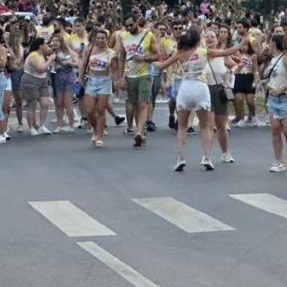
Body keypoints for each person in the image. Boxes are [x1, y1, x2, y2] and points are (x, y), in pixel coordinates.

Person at [158, 27, 240, 172]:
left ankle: (180, 158)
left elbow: (162, 66)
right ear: (198, 41)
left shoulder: (180, 53)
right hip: (201, 88)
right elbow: (226, 52)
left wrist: (149, 62)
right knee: (205, 127)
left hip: (185, 88)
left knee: (182, 127)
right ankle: (207, 157)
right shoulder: (203, 52)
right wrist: (242, 43)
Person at [116, 16, 163, 148]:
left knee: (143, 103)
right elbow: (121, 57)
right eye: (127, 26)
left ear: (137, 23)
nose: (129, 28)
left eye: (131, 25)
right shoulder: (124, 37)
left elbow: (158, 55)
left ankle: (139, 132)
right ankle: (141, 132)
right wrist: (120, 77)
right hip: (131, 75)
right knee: (135, 104)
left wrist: (144, 57)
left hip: (145, 74)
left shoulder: (148, 35)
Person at [78, 28, 119, 147]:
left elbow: (114, 69)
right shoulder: (90, 49)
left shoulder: (111, 53)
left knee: (101, 110)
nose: (100, 40)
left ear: (107, 40)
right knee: (90, 111)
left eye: (103, 38)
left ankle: (99, 136)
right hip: (91, 80)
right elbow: (84, 63)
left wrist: (117, 81)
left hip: (104, 81)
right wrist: (80, 76)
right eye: (98, 38)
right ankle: (96, 130)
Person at [202, 28, 237, 163]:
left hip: (220, 90)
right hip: (205, 90)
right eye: (207, 37)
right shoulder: (201, 55)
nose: (210, 39)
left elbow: (234, 65)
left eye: (212, 37)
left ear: (217, 40)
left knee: (221, 125)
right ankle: (207, 156)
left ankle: (225, 152)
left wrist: (230, 72)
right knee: (209, 125)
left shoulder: (223, 55)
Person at [261, 34, 287, 172]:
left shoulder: (284, 58)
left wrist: (280, 89)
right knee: (275, 130)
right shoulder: (272, 60)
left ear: (274, 44)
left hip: (284, 98)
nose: (267, 45)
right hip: (273, 99)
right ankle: (279, 161)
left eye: (269, 43)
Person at [21, 37, 54, 135]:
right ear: (40, 46)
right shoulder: (34, 55)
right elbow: (40, 69)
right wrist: (50, 60)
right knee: (32, 105)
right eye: (46, 44)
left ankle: (42, 125)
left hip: (42, 80)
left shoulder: (41, 54)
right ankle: (31, 127)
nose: (47, 46)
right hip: (31, 80)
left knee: (45, 103)